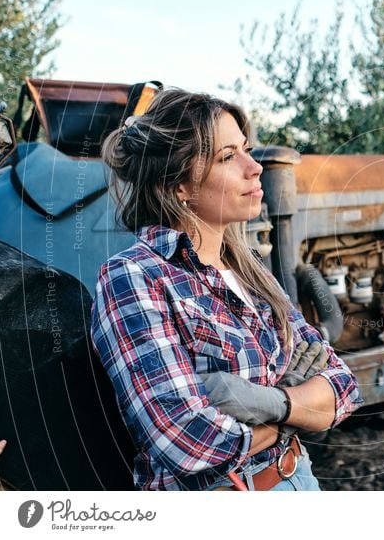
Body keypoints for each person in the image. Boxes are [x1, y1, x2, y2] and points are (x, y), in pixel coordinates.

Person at [90, 88, 363, 491]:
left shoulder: (252, 273)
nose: (254, 168)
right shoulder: (134, 276)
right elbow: (188, 440)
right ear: (178, 184)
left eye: (246, 149)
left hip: (298, 478)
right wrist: (298, 407)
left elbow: (344, 387)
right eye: (227, 157)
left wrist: (267, 402)